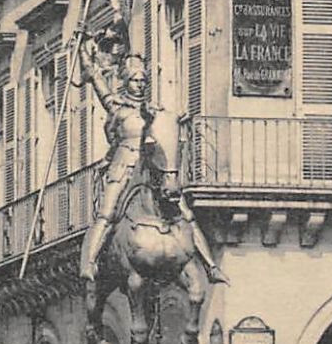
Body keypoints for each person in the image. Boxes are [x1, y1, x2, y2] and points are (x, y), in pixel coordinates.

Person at [77, 31, 226, 289]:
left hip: (151, 168)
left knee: (185, 213)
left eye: (143, 80)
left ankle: (211, 266)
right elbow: (96, 79)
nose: (139, 84)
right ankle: (88, 263)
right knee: (107, 212)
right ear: (125, 82)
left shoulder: (154, 111)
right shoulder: (117, 107)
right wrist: (83, 52)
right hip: (123, 167)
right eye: (134, 80)